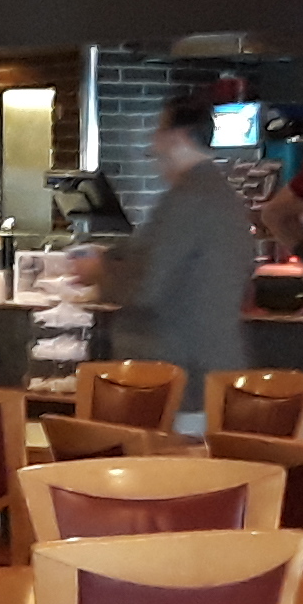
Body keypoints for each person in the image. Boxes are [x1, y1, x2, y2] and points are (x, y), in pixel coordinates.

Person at [105, 97, 253, 424]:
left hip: (179, 373)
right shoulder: (224, 197)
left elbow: (144, 286)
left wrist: (97, 271)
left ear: (179, 136)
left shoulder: (187, 199)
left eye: (158, 133)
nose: (153, 145)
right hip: (213, 368)